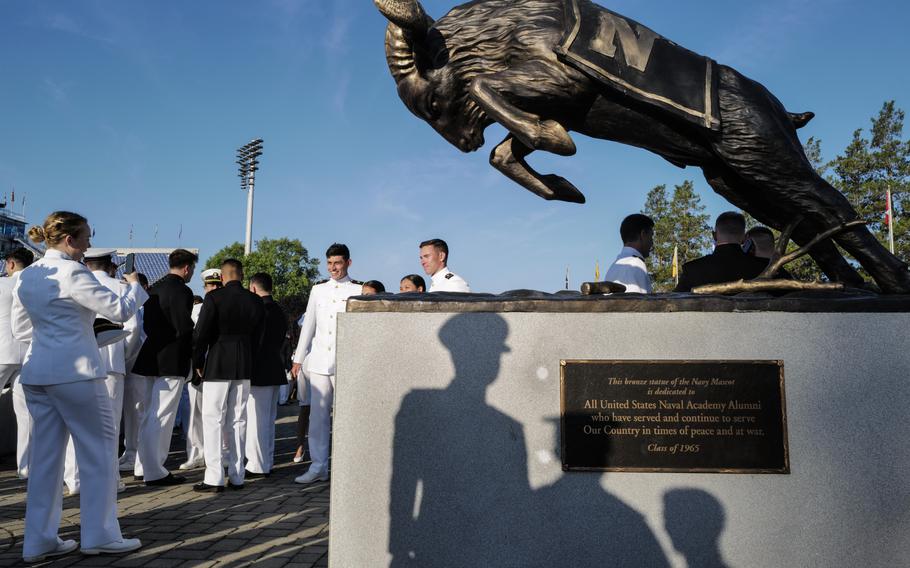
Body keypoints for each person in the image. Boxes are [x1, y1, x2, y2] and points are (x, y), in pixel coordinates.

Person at [12, 211, 146, 561]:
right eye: (86, 237)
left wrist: (69, 337)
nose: (89, 244)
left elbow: (22, 330)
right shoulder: (73, 271)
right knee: (99, 453)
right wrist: (136, 286)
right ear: (70, 239)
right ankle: (100, 534)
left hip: (37, 372)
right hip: (77, 375)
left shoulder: (28, 276)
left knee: (45, 459)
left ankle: (38, 540)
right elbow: (118, 310)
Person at [291, 243, 362, 484]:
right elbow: (308, 325)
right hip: (320, 361)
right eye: (330, 263)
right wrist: (298, 359)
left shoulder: (359, 290)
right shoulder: (317, 290)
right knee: (318, 417)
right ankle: (318, 466)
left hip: (345, 361)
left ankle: (346, 467)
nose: (333, 268)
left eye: (338, 263)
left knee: (346, 416)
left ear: (348, 263)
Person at [192, 259, 265, 492]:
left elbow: (201, 333)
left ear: (222, 277)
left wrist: (198, 361)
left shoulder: (214, 298)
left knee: (213, 419)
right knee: (238, 419)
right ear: (242, 276)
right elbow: (259, 337)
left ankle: (213, 476)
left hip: (217, 363)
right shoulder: (255, 300)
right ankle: (237, 475)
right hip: (244, 363)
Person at [131, 248, 197, 486]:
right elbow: (183, 327)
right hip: (172, 358)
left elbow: (147, 324)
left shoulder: (154, 289)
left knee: (148, 414)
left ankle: (142, 465)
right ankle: (155, 470)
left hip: (150, 355)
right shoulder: (183, 291)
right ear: (187, 267)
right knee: (162, 416)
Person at [178, 268, 222, 472]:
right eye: (209, 285)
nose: (212, 289)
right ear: (204, 287)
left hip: (218, 367)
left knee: (218, 413)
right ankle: (196, 453)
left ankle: (219, 452)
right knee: (194, 413)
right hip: (197, 367)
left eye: (216, 285)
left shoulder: (224, 305)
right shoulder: (196, 309)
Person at [245, 272, 288, 478]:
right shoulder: (279, 310)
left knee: (256, 420)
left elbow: (255, 343)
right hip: (275, 368)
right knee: (268, 419)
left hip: (259, 370)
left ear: (253, 288)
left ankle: (257, 464)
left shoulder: (258, 310)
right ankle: (266, 461)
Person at [0, 248, 35, 479]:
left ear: (11, 264)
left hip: (2, 350)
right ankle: (26, 466)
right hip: (29, 352)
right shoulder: (34, 285)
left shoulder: (2, 284)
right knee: (26, 413)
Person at [675, 212, 770, 292]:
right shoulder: (764, 268)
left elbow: (675, 301)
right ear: (745, 239)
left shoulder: (692, 269)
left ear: (714, 236)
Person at [118, 272, 149, 473]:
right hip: (133, 362)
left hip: (135, 363)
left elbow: (135, 330)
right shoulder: (139, 305)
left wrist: (126, 356)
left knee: (135, 411)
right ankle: (130, 451)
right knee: (132, 410)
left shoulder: (142, 305)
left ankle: (135, 453)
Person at [603, 214, 654, 293]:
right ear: (643, 234)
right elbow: (638, 304)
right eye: (651, 236)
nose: (652, 242)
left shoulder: (614, 267)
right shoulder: (635, 264)